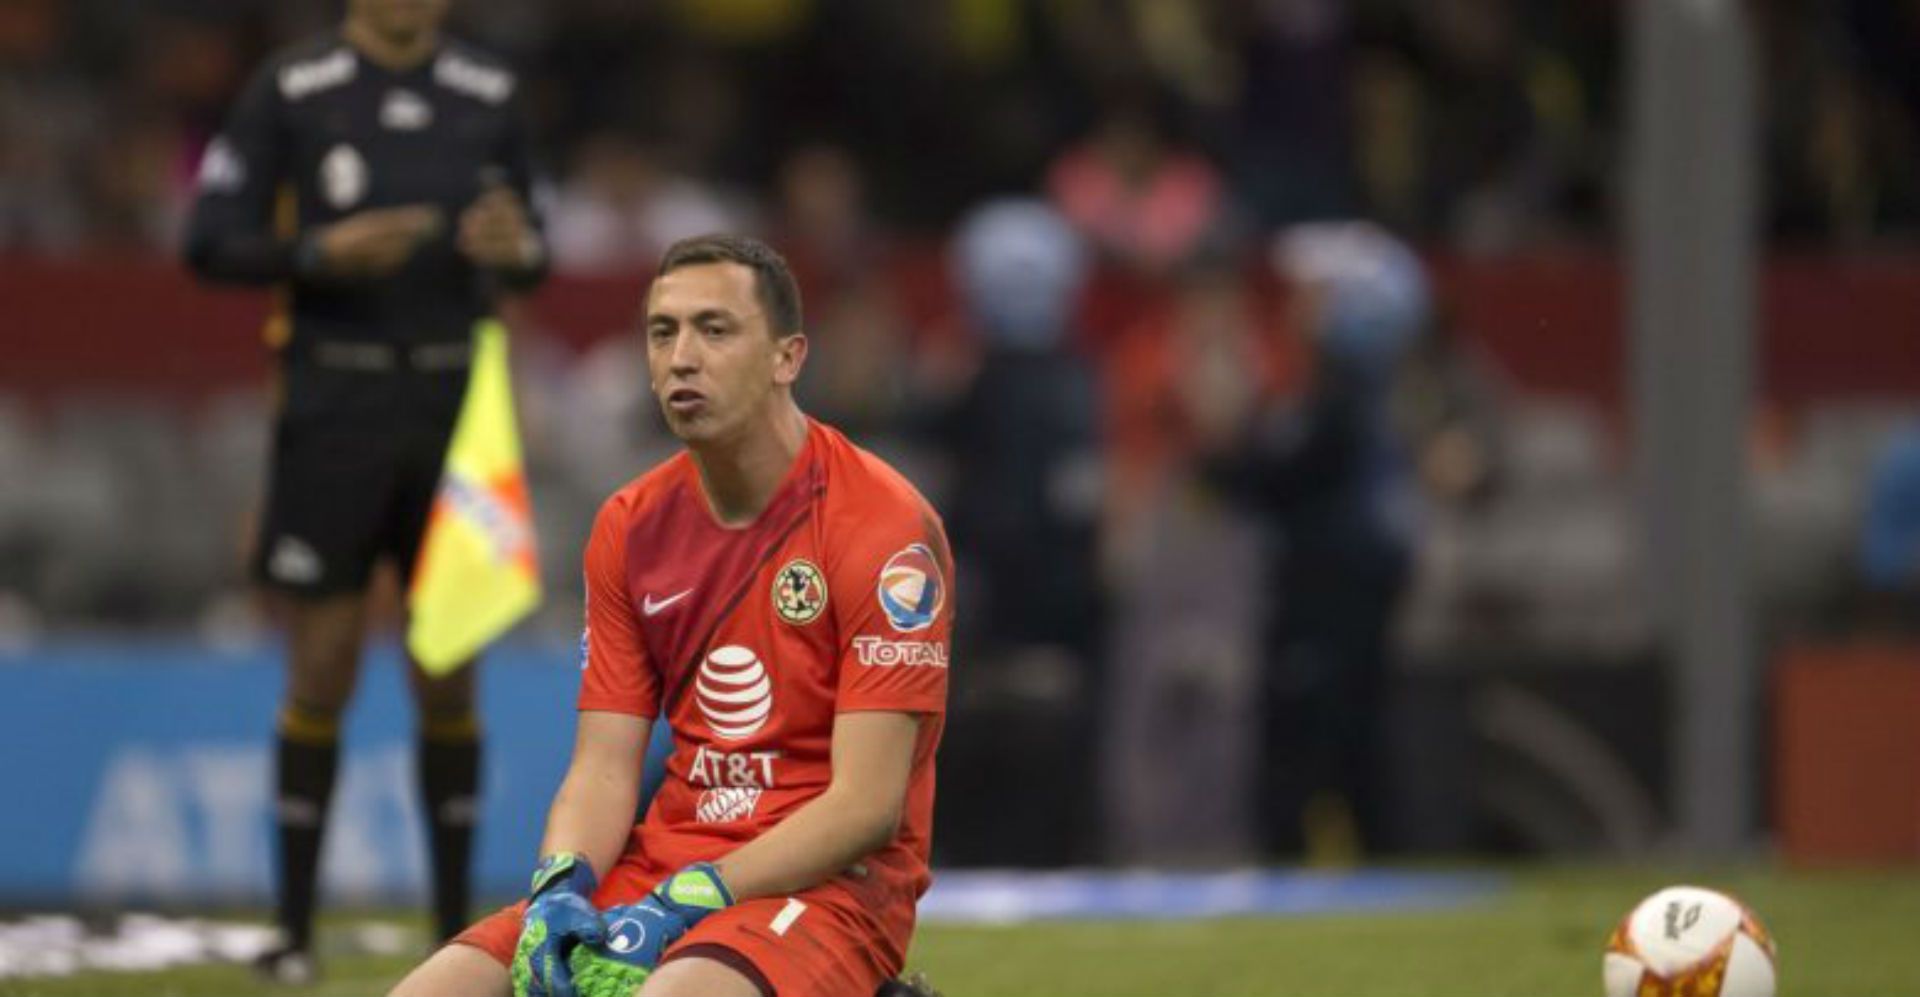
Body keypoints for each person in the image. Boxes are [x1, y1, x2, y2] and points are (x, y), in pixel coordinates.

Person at [389, 234, 953, 997]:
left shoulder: (884, 528)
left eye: (714, 330)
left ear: (788, 358)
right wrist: (562, 881)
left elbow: (865, 808)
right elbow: (603, 763)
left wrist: (698, 894)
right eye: (663, 332)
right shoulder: (630, 524)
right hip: (665, 868)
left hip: (829, 887)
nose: (682, 356)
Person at [181, 0, 548, 982]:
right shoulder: (291, 90)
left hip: (453, 405)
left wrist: (513, 245)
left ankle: (451, 932)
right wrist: (315, 255)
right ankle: (294, 930)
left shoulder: (489, 92)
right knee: (326, 659)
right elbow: (208, 237)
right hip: (332, 397)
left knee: (448, 662)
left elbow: (534, 248)